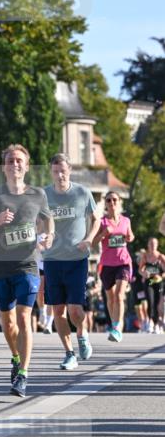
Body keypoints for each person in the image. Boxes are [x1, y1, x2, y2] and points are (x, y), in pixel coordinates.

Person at [0, 144, 53, 398]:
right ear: (4, 166)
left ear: (26, 166)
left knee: (24, 318)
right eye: (10, 161)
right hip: (1, 266)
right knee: (7, 323)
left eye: (19, 160)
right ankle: (16, 358)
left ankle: (23, 375)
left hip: (28, 264)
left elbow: (48, 218)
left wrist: (49, 234)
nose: (15, 164)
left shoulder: (38, 194)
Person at [42, 152, 100, 370]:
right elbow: (38, 222)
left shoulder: (82, 193)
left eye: (63, 171)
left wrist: (89, 238)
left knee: (75, 310)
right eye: (55, 171)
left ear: (70, 170)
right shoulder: (44, 195)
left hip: (77, 259)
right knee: (58, 311)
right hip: (53, 259)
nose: (59, 175)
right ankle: (69, 353)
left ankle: (82, 334)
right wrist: (42, 237)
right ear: (51, 172)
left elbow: (96, 219)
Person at [92, 192, 134, 342]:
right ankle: (113, 323)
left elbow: (130, 236)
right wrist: (104, 233)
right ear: (106, 203)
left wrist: (129, 237)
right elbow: (93, 242)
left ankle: (118, 327)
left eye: (114, 200)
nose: (112, 202)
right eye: (108, 200)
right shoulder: (102, 221)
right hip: (107, 264)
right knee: (110, 298)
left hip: (123, 262)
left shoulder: (126, 221)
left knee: (119, 295)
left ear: (119, 202)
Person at [139, 237, 165, 333]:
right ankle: (150, 322)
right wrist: (144, 273)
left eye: (154, 244)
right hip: (149, 282)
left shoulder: (160, 256)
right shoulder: (145, 256)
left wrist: (162, 275)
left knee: (158, 303)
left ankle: (158, 323)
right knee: (150, 301)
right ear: (148, 245)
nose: (153, 245)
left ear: (157, 245)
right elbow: (140, 269)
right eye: (151, 244)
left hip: (158, 282)